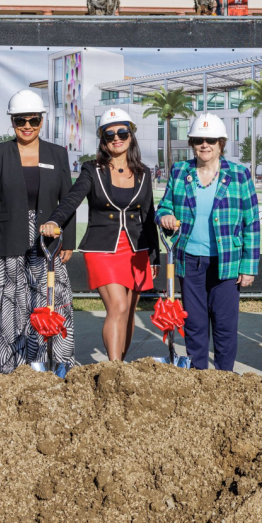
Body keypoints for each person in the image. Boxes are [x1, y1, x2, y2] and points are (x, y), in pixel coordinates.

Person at [0, 89, 76, 373]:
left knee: (52, 298)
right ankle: (6, 366)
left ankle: (52, 363)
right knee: (8, 301)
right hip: (9, 235)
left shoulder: (57, 153)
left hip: (48, 238)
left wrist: (68, 240)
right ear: (12, 122)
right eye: (20, 120)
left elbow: (68, 200)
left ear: (42, 120)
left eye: (33, 120)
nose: (27, 125)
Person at [40, 108, 160, 361]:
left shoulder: (143, 173)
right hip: (102, 248)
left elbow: (148, 214)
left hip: (137, 250)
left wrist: (155, 256)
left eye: (122, 132)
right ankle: (113, 368)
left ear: (131, 136)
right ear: (103, 140)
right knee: (117, 306)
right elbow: (72, 199)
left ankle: (121, 366)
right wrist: (54, 220)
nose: (117, 138)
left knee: (128, 310)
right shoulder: (91, 170)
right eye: (109, 135)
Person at [155, 113, 260, 371]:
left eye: (210, 140)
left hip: (227, 263)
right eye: (199, 140)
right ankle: (199, 376)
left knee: (224, 326)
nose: (205, 145)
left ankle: (224, 378)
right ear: (192, 143)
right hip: (189, 261)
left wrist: (249, 266)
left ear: (221, 143)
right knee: (195, 324)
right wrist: (166, 215)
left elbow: (252, 222)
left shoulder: (239, 174)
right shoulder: (181, 172)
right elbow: (164, 206)